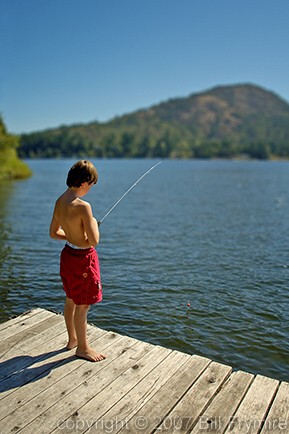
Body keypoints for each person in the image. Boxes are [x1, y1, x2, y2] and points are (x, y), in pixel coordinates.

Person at [49, 160, 106, 362]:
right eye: (91, 184)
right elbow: (94, 240)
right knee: (83, 305)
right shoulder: (83, 206)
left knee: (71, 298)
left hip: (68, 256)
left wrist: (73, 237)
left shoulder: (59, 201)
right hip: (83, 259)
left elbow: (54, 233)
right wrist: (93, 224)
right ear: (84, 182)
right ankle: (82, 348)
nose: (90, 189)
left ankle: (72, 339)